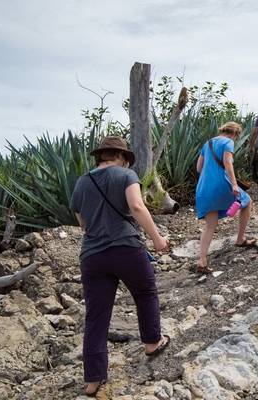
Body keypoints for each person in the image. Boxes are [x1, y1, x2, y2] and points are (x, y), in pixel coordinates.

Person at [70, 136, 170, 397]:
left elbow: (81, 222)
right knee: (145, 293)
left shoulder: (82, 182)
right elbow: (136, 206)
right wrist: (157, 239)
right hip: (126, 247)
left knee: (96, 317)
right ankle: (151, 343)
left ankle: (93, 380)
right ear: (122, 157)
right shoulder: (126, 175)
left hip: (92, 256)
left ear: (100, 156)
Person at [195, 122, 255, 273]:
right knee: (246, 201)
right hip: (222, 185)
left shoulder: (207, 143)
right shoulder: (228, 142)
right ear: (235, 134)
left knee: (210, 225)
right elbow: (228, 163)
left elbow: (198, 168)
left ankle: (202, 260)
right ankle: (240, 239)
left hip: (203, 188)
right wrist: (234, 184)